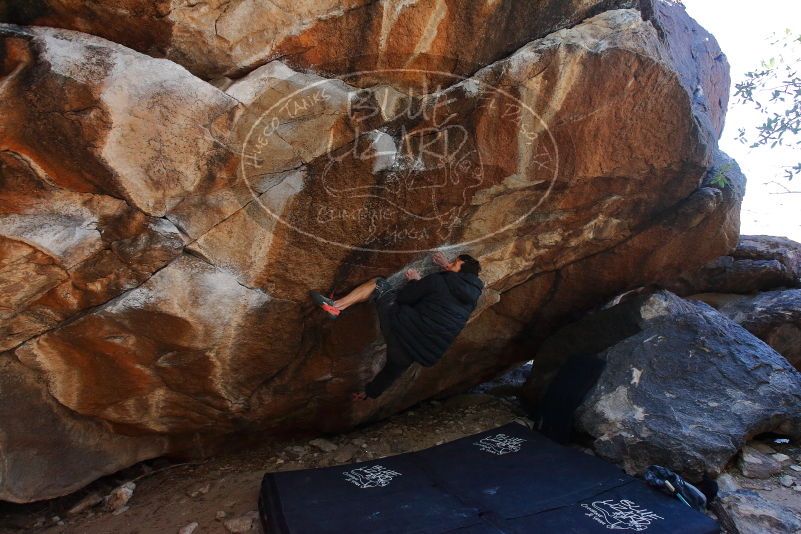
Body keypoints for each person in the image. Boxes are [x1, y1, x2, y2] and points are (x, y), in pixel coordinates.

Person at [309, 252, 483, 400]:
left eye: (454, 263)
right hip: (413, 352)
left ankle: (336, 306)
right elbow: (446, 294)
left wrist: (416, 281)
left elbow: (405, 297)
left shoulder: (437, 281)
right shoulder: (470, 301)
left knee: (379, 284)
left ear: (461, 272)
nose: (450, 264)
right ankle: (368, 393)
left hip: (400, 329)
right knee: (393, 370)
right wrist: (370, 393)